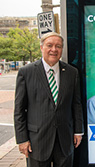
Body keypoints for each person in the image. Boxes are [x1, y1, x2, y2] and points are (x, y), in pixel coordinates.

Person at [14, 32, 84, 167]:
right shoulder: (26, 72)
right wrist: (22, 139)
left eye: (58, 46)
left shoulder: (71, 72)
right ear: (41, 48)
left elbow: (76, 105)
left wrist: (78, 131)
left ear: (62, 49)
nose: (54, 49)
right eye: (49, 45)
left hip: (65, 139)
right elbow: (19, 109)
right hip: (37, 141)